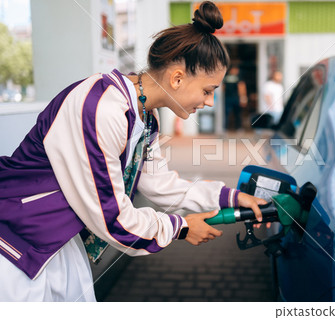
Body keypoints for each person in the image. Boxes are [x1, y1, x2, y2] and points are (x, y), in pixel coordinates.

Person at [0, 1, 265, 302]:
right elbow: (113, 217)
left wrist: (231, 197)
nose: (210, 102)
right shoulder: (99, 107)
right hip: (14, 248)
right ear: (177, 78)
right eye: (208, 90)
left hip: (56, 242)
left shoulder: (143, 118)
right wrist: (178, 227)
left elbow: (162, 186)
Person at [223, 65, 247, 131]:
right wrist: (243, 98)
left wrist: (243, 98)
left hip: (232, 98)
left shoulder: (226, 77)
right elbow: (241, 88)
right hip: (232, 98)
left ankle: (235, 127)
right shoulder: (237, 77)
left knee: (235, 113)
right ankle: (228, 128)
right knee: (232, 113)